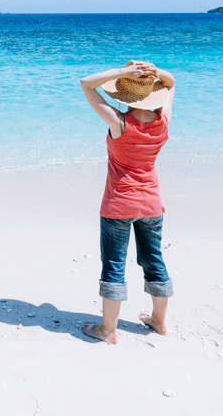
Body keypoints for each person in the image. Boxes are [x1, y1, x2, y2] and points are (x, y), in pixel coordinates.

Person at [79, 60, 176, 344]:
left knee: (113, 265)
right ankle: (159, 321)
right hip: (151, 204)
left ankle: (108, 330)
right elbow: (172, 83)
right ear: (154, 94)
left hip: (119, 204)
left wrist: (124, 73)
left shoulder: (118, 123)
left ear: (125, 95)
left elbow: (86, 83)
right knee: (154, 260)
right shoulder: (164, 122)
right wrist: (153, 73)